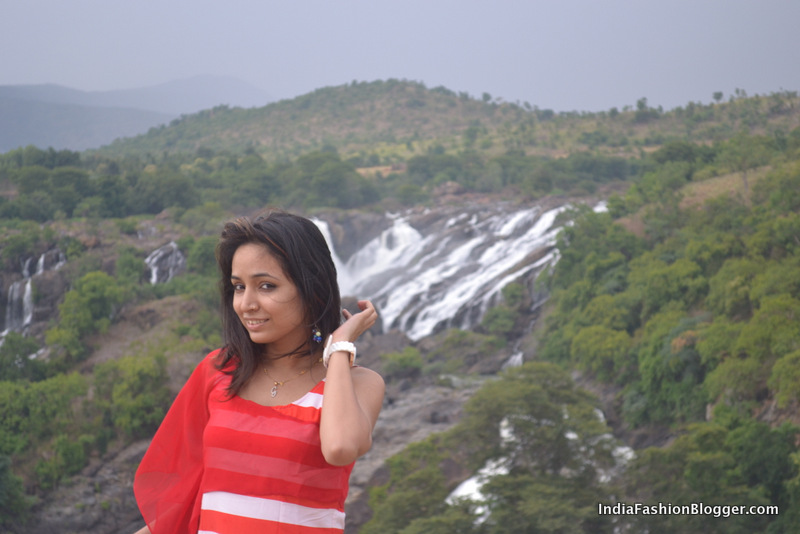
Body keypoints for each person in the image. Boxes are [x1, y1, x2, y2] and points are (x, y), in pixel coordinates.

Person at [132, 210, 385, 534]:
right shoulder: (219, 371)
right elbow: (180, 508)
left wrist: (338, 347)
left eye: (266, 286)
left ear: (313, 289)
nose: (246, 304)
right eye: (238, 287)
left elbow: (339, 448)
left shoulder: (358, 383)